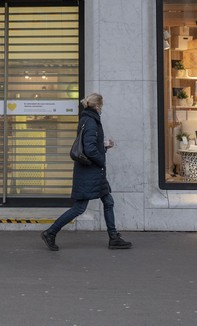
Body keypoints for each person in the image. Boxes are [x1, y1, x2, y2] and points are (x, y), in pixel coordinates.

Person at [40, 92, 132, 251]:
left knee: (108, 201)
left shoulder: (88, 119)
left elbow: (90, 144)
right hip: (90, 173)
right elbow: (89, 149)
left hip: (94, 173)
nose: (102, 108)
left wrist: (103, 146)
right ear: (97, 106)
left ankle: (113, 237)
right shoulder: (90, 121)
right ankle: (50, 232)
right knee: (79, 208)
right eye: (101, 106)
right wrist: (101, 159)